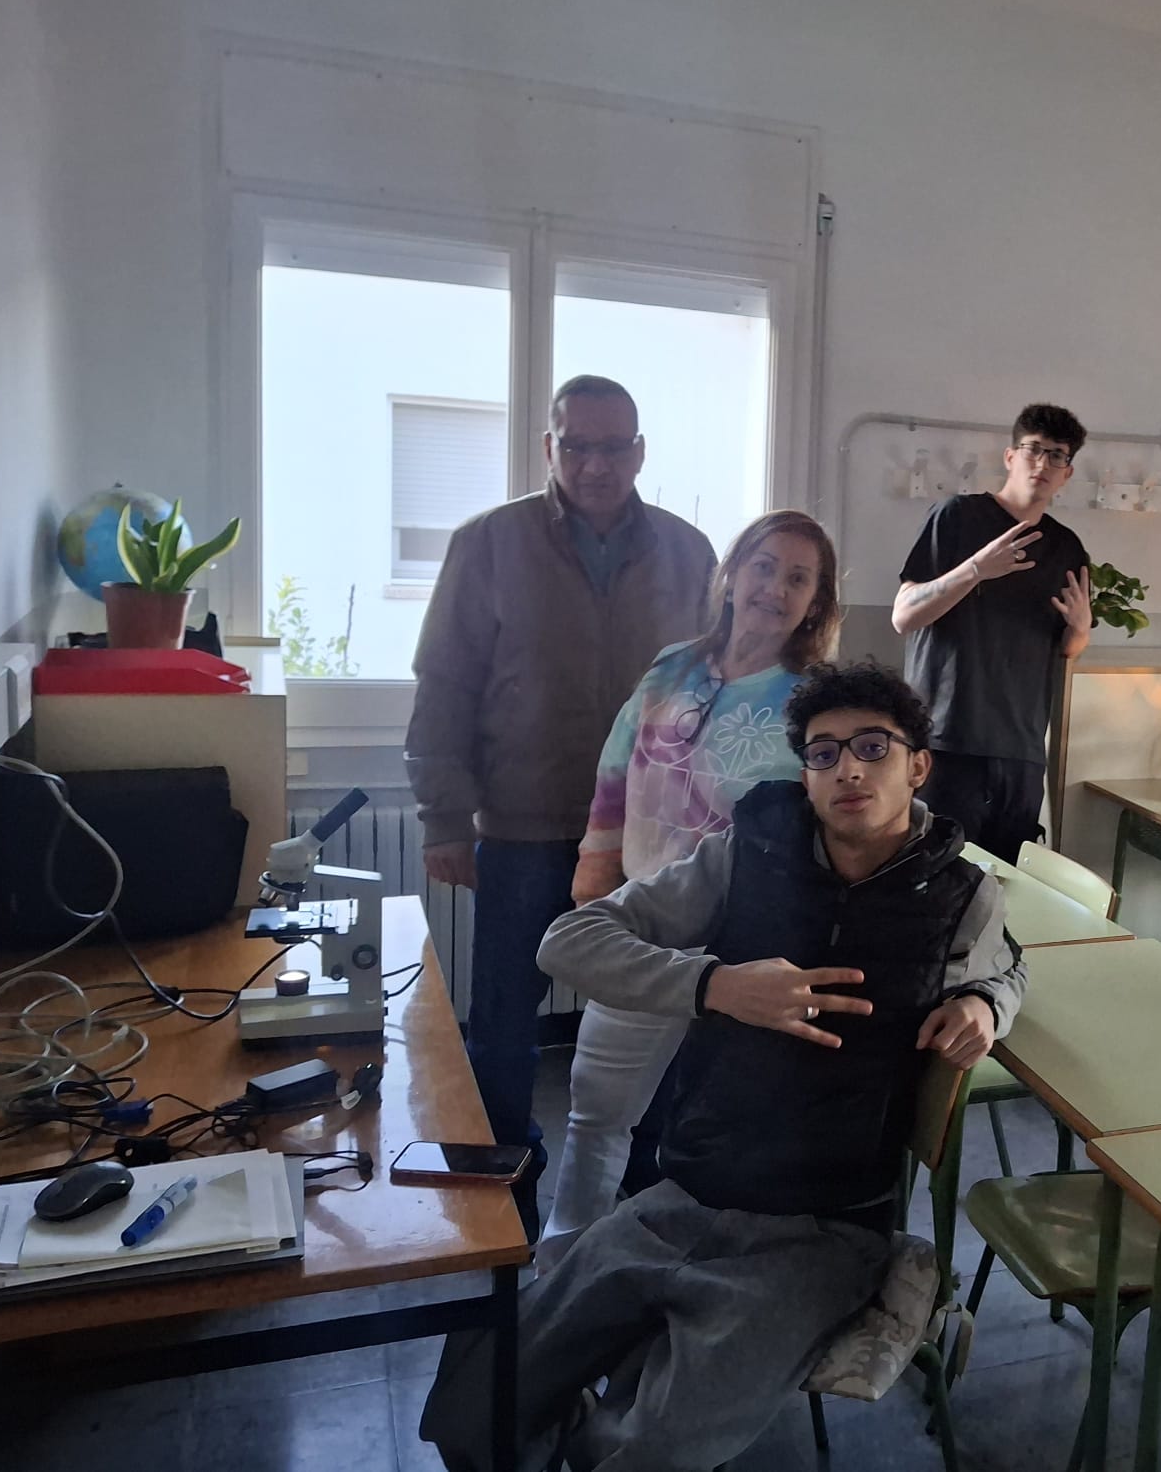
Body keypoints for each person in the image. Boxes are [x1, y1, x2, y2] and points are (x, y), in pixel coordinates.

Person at [419, 661, 1025, 1472]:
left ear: (917, 766)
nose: (848, 769)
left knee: (650, 1453)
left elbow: (1010, 965)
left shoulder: (959, 892)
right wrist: (715, 985)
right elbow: (568, 941)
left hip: (820, 1232)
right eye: (823, 753)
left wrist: (986, 1004)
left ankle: (603, 1424)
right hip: (684, 1194)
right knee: (471, 1408)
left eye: (872, 747)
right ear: (805, 776)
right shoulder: (747, 854)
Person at [405, 374, 716, 1237]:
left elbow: (718, 685)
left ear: (639, 452)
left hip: (651, 840)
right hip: (523, 829)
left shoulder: (690, 552)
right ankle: (505, 1193)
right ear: (550, 448)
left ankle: (645, 1189)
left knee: (663, 1012)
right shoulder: (488, 543)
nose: (595, 464)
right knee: (504, 1022)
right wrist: (442, 817)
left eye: (613, 446)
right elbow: (444, 683)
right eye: (576, 445)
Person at [543, 509, 841, 1255]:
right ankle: (565, 1267)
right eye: (764, 567)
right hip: (644, 929)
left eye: (798, 578)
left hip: (744, 947)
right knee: (597, 1112)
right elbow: (615, 772)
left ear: (815, 602)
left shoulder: (815, 701)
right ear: (732, 576)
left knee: (708, 1131)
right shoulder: (673, 666)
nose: (776, 589)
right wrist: (596, 880)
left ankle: (676, 1272)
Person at [892, 403, 1093, 860]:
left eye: (1056, 455)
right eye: (1033, 449)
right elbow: (903, 615)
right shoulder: (957, 517)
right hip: (946, 742)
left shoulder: (1066, 547)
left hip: (1021, 751)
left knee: (1007, 887)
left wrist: (1081, 630)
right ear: (1010, 456)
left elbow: (1068, 648)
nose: (1042, 463)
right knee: (933, 876)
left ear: (1067, 472)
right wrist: (975, 570)